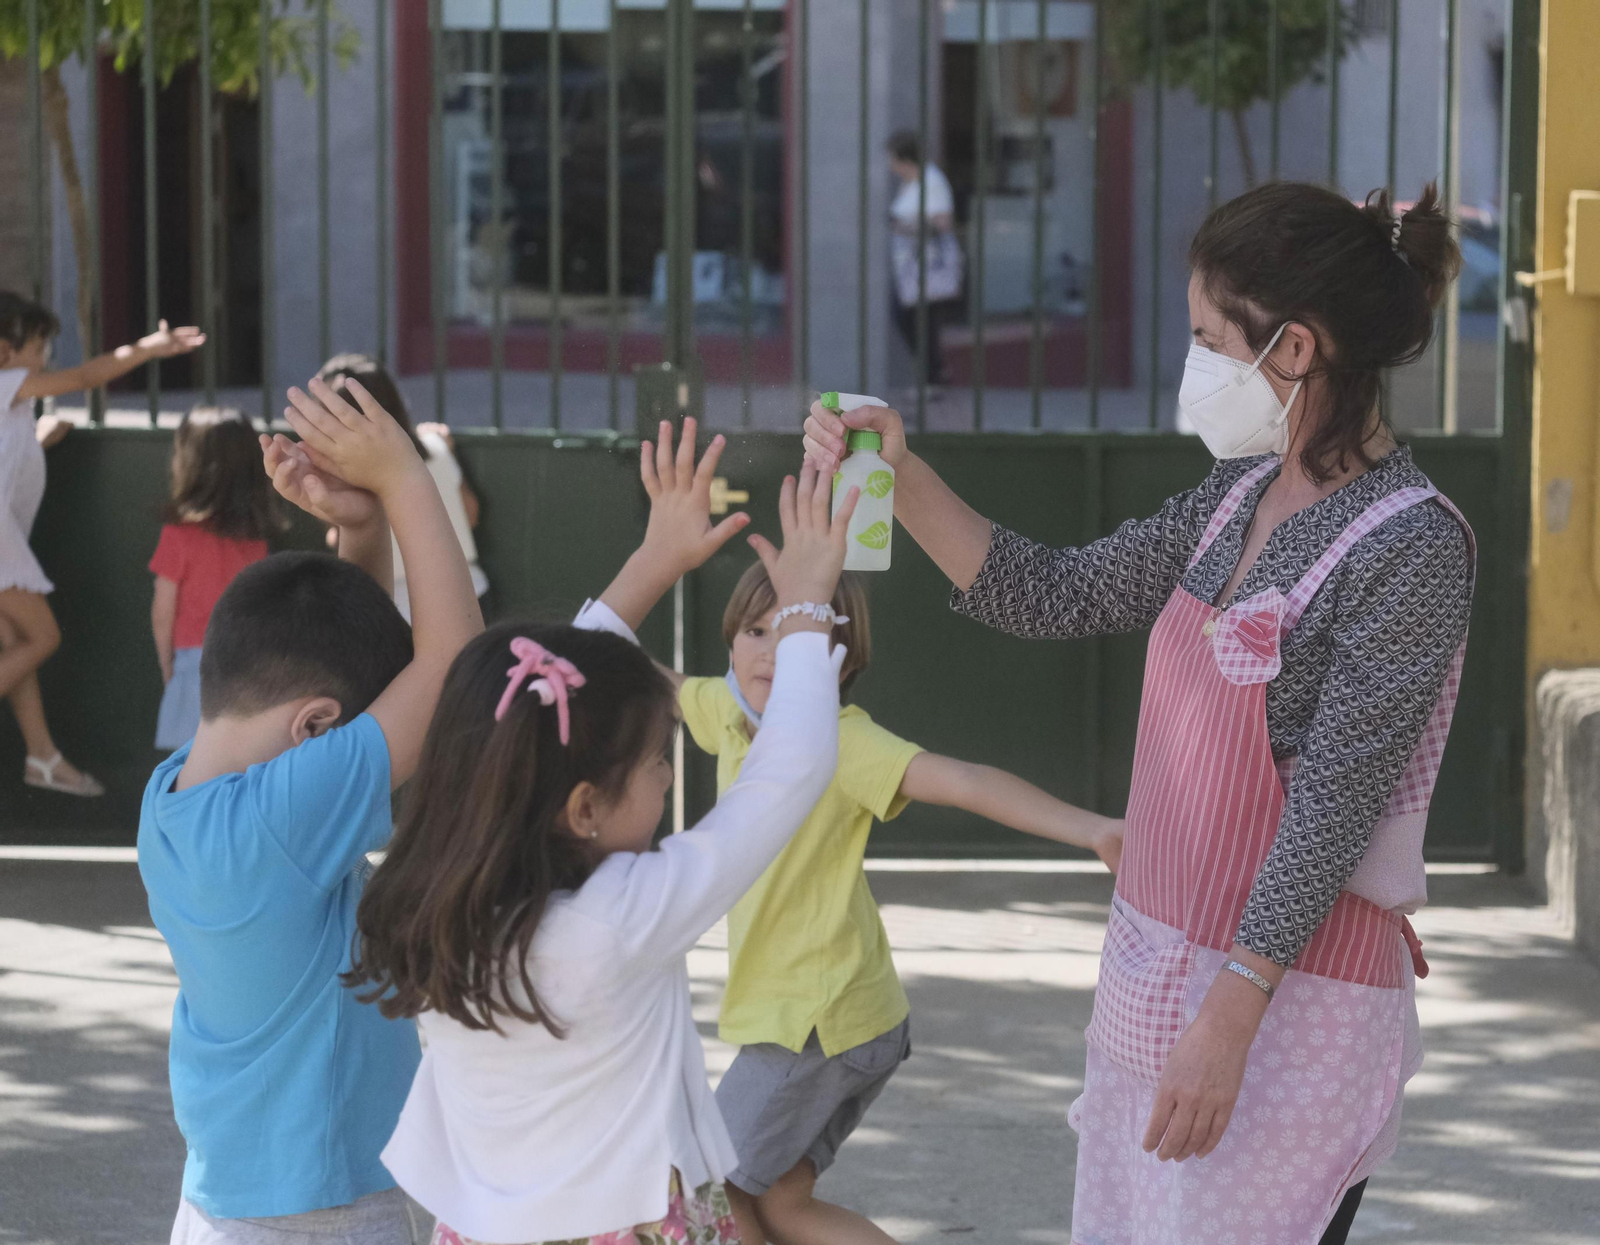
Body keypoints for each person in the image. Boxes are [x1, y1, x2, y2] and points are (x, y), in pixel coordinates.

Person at [804, 182, 1474, 1245]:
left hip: (1285, 1009)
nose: (1197, 360)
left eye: (1212, 337)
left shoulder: (1412, 547)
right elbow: (1057, 591)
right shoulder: (1235, 494)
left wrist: (1230, 1014)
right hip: (1161, 976)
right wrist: (901, 467)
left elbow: (1333, 810)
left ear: (1293, 350)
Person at [352, 420, 857, 1245]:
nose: (667, 774)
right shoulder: (621, 915)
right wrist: (804, 605)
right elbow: (790, 767)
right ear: (583, 808)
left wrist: (654, 559)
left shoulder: (433, 909)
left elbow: (533, 708)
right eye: (657, 760)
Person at [673, 560, 1123, 1244]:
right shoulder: (728, 716)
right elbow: (653, 684)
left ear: (842, 658)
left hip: (816, 1023)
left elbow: (963, 780)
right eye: (756, 628)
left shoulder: (839, 737)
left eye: (796, 636)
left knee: (710, 1188)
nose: (769, 649)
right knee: (784, 1202)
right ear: (730, 635)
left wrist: (1091, 828)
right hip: (844, 1019)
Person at [137, 376, 484, 1244]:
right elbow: (453, 667)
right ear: (317, 727)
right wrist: (406, 477)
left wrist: (359, 531)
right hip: (320, 1211)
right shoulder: (277, 826)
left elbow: (338, 677)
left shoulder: (177, 795)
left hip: (230, 1197)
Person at [0, 291, 203, 795]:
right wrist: (148, 348)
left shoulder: (13, 401)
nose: (45, 359)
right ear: (4, 352)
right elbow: (86, 378)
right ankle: (41, 757)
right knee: (42, 638)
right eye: (38, 346)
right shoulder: (12, 383)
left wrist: (41, 436)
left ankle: (41, 756)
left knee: (15, 645)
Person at [317, 354, 487, 622]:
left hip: (398, 610)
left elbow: (340, 541)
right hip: (471, 594)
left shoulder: (349, 473)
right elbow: (471, 514)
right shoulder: (436, 445)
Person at [150, 407, 280, 751]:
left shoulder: (177, 535)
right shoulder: (257, 539)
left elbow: (163, 611)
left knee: (190, 769)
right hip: (249, 667)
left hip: (196, 665)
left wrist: (168, 667)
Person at [887, 130, 963, 394]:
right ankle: (933, 374)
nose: (890, 165)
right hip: (910, 267)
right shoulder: (911, 183)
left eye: (893, 159)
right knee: (913, 318)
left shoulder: (931, 181)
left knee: (918, 319)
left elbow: (943, 222)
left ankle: (933, 378)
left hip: (928, 266)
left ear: (905, 159)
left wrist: (904, 226)